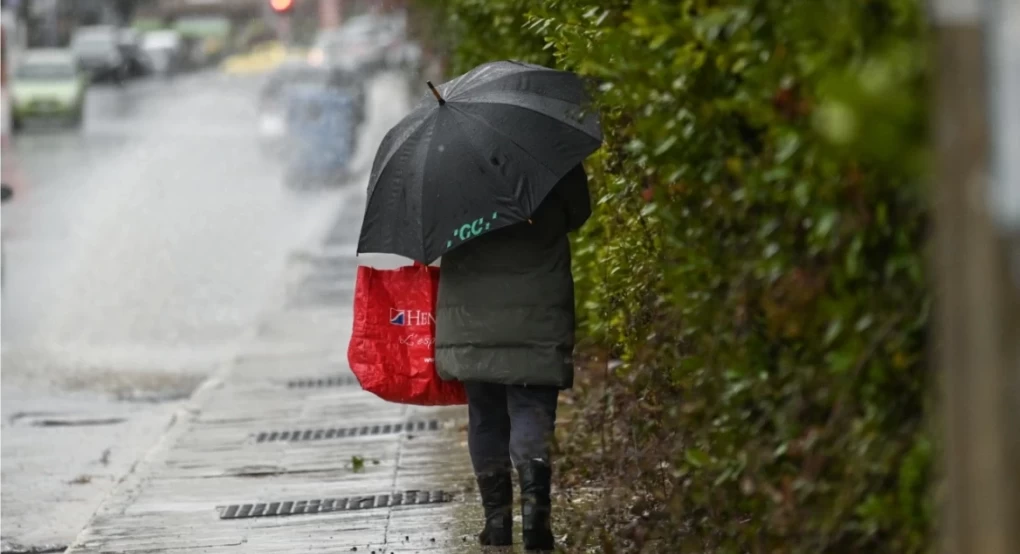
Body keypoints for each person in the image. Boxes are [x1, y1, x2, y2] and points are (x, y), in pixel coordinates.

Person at [435, 164, 591, 551]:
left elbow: (432, 234)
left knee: (486, 415)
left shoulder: (446, 166)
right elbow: (579, 212)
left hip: (471, 315)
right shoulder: (549, 152)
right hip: (538, 306)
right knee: (532, 409)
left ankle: (497, 523)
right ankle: (536, 518)